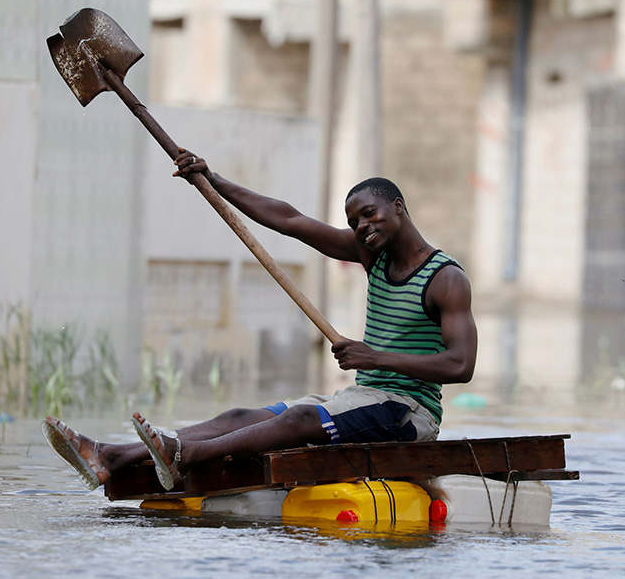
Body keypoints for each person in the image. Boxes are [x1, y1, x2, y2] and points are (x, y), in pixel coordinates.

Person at [41, 149, 478, 491]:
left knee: (300, 418)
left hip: (409, 415)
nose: (362, 227)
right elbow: (288, 219)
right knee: (237, 416)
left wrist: (376, 358)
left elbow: (461, 365)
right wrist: (211, 180)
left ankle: (183, 457)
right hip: (364, 401)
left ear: (398, 207)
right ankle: (110, 455)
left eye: (369, 214)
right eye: (353, 221)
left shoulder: (446, 279)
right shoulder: (372, 255)